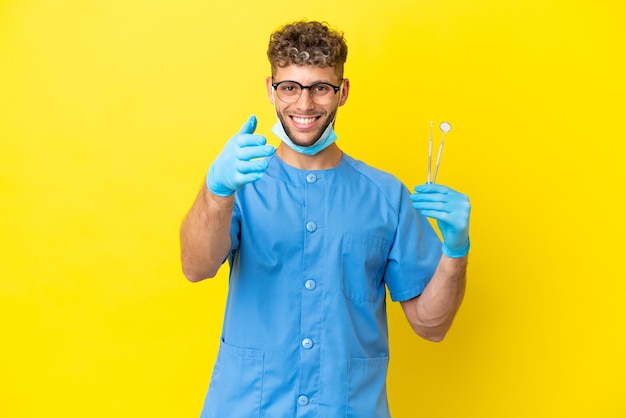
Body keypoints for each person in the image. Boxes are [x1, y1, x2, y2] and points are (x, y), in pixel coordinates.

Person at [180, 20, 471, 418]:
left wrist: (455, 252)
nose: (304, 105)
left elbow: (430, 326)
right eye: (290, 87)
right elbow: (195, 267)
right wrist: (216, 191)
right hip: (249, 407)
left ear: (343, 91)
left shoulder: (386, 196)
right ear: (271, 89)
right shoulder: (241, 184)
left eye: (320, 87)